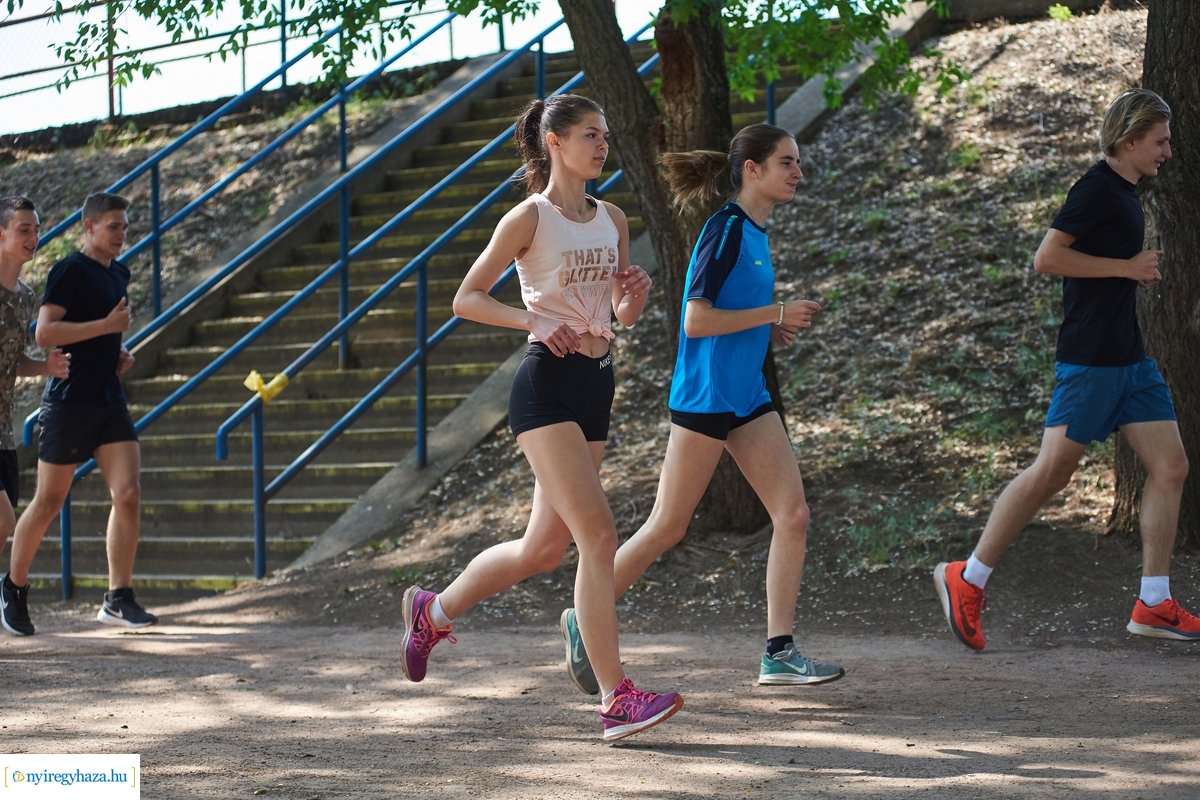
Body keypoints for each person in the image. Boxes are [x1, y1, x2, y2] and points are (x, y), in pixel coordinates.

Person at [399, 94, 683, 743]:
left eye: (605, 134)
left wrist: (630, 299)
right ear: (553, 141)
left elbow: (617, 314)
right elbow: (465, 298)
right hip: (544, 388)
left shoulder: (611, 217)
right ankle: (616, 699)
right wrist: (535, 318)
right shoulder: (530, 217)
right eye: (589, 134)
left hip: (595, 384)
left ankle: (432, 611)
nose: (601, 144)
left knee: (543, 548)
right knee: (599, 535)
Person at [559, 123, 845, 696]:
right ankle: (583, 613)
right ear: (752, 170)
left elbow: (738, 315)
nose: (798, 172)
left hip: (748, 394)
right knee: (669, 525)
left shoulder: (757, 233)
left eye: (797, 163)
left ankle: (779, 651)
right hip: (708, 394)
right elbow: (696, 320)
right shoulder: (726, 230)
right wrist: (773, 314)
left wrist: (770, 331)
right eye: (786, 163)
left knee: (793, 514)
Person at [933, 88, 1198, 651]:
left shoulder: (1126, 192)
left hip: (1130, 359)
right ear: (1129, 141)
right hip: (1090, 360)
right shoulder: (1096, 189)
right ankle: (968, 576)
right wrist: (1126, 267)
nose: (1167, 152)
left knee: (1171, 466)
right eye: (1160, 141)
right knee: (1052, 472)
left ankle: (1153, 600)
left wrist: (1127, 273)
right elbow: (1047, 258)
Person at [1, 191, 156, 636]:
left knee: (128, 492)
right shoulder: (68, 270)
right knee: (48, 502)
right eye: (113, 227)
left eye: (125, 227)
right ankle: (14, 586)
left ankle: (118, 597)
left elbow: (87, 337)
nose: (121, 235)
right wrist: (105, 328)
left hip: (107, 397)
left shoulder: (119, 272)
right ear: (88, 227)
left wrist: (116, 352)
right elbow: (47, 332)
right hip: (68, 402)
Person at [0, 196, 70, 635]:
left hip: (3, 430)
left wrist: (44, 366)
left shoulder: (26, 297)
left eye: (36, 228)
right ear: (1, 234)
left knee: (5, 522)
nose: (33, 237)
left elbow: (13, 361)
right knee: (5, 519)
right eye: (23, 228)